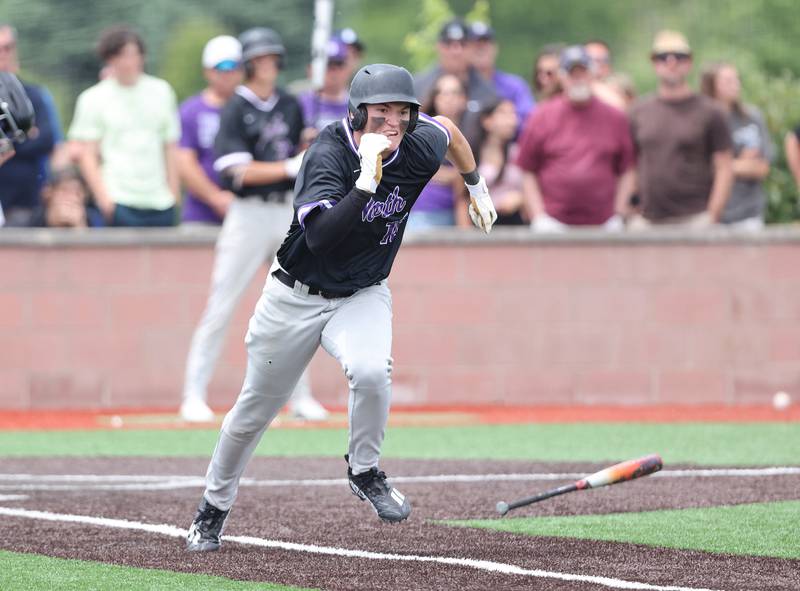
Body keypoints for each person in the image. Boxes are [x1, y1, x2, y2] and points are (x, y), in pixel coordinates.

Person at [185, 63, 497, 552]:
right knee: (251, 413)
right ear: (357, 114)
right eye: (382, 112)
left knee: (372, 371)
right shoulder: (327, 154)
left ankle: (365, 470)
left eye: (402, 112)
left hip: (362, 292)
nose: (393, 123)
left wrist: (476, 184)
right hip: (295, 295)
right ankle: (212, 508)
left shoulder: (416, 145)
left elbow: (451, 132)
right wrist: (365, 184)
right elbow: (323, 239)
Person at [180, 27, 328, 424]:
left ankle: (300, 397)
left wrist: (309, 149)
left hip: (285, 211)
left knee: (298, 303)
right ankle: (193, 394)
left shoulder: (292, 104)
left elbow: (302, 152)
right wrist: (287, 166)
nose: (268, 65)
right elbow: (235, 172)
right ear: (249, 65)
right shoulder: (234, 108)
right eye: (259, 59)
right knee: (222, 303)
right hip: (246, 215)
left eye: (272, 58)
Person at [68, 26, 181, 227]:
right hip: (119, 198)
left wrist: (174, 193)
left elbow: (170, 146)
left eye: (133, 55)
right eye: (121, 55)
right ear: (109, 59)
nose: (128, 62)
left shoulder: (162, 91)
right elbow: (87, 154)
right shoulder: (93, 98)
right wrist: (104, 199)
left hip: (160, 200)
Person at [516, 46, 635, 231]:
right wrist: (538, 216)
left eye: (583, 72)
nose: (578, 79)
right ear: (562, 77)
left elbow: (627, 168)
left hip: (604, 223)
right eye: (572, 74)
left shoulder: (615, 117)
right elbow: (527, 169)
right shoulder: (541, 116)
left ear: (593, 75)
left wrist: (618, 214)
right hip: (553, 223)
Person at [626, 31, 733, 229]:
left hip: (696, 219)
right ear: (653, 63)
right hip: (648, 220)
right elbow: (630, 165)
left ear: (690, 62)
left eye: (679, 56)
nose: (671, 62)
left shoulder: (711, 111)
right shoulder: (638, 111)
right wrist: (629, 210)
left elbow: (724, 166)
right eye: (663, 57)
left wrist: (713, 215)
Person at [178, 35, 243, 225]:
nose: (227, 73)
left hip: (249, 213)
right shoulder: (191, 110)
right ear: (207, 71)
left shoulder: (252, 109)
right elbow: (184, 162)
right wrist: (216, 198)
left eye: (233, 66)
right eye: (221, 67)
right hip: (200, 215)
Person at [0, 24, 61, 227]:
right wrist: (24, 135)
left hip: (25, 204)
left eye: (8, 47)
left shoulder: (33, 94)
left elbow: (48, 139)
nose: (3, 54)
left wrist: (9, 142)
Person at [701, 62, 773, 231]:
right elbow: (698, 169)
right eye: (727, 81)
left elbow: (762, 168)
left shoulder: (751, 118)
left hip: (749, 214)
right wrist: (741, 163)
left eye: (736, 79)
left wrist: (722, 166)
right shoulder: (701, 121)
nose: (736, 85)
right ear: (711, 85)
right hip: (710, 214)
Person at [413, 18, 496, 145]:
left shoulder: (487, 92)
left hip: (474, 161)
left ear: (471, 48)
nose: (456, 50)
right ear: (439, 47)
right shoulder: (417, 86)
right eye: (449, 44)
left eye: (462, 44)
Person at [407, 73, 470, 230]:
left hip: (456, 212)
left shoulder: (471, 134)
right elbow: (412, 166)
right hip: (420, 213)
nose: (449, 99)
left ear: (464, 99)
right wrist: (453, 175)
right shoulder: (420, 131)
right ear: (435, 98)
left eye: (454, 93)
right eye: (443, 93)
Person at [466, 21, 535, 129]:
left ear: (495, 48)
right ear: (466, 50)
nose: (481, 48)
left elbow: (530, 120)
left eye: (486, 43)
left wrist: (507, 120)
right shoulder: (458, 86)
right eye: (476, 44)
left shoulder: (514, 86)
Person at [475, 98, 526, 225]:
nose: (512, 120)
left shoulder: (518, 153)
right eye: (504, 113)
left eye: (513, 114)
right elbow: (462, 197)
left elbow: (532, 187)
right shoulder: (473, 155)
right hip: (481, 225)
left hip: (516, 223)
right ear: (487, 121)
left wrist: (521, 198)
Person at [297, 36, 352, 148]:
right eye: (327, 65)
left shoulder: (357, 105)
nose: (333, 71)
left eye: (339, 64)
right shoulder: (299, 104)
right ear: (311, 69)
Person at [30, 164, 104, 228]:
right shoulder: (36, 217)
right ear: (49, 193)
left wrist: (80, 225)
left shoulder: (93, 218)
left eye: (77, 193)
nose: (71, 198)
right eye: (65, 191)